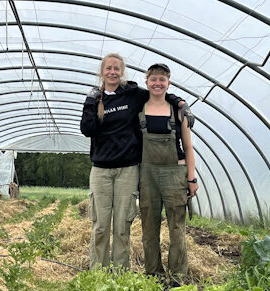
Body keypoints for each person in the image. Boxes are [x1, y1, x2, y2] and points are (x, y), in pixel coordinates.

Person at [80, 53, 193, 270]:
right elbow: (87, 129)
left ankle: (121, 273)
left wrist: (181, 103)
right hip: (101, 170)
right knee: (100, 226)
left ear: (122, 72)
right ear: (102, 72)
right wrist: (91, 100)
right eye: (109, 68)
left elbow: (158, 92)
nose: (113, 72)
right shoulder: (96, 98)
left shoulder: (132, 95)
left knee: (122, 226)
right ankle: (98, 273)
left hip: (128, 170)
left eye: (117, 69)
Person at [138, 63, 198, 285]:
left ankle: (177, 278)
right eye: (153, 79)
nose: (157, 83)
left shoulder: (178, 111)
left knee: (176, 227)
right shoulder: (139, 108)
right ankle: (154, 274)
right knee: (149, 227)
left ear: (168, 83)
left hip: (175, 174)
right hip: (147, 174)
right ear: (147, 82)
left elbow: (189, 147)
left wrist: (191, 178)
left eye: (162, 79)